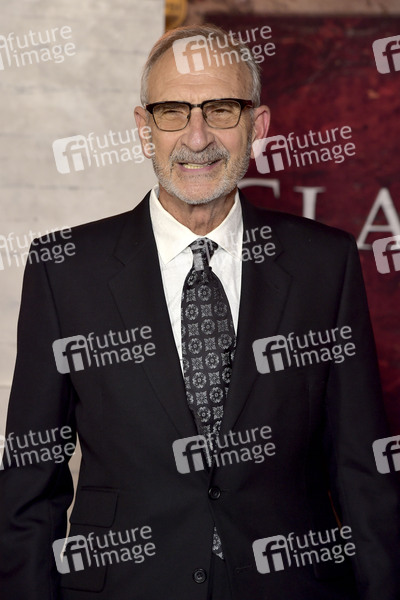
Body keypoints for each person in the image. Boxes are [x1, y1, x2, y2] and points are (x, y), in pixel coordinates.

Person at [0, 23, 399, 600]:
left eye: (221, 109)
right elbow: (29, 485)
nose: (196, 136)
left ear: (258, 127)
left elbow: (364, 471)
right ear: (144, 130)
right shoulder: (65, 269)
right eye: (172, 112)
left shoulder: (324, 262)